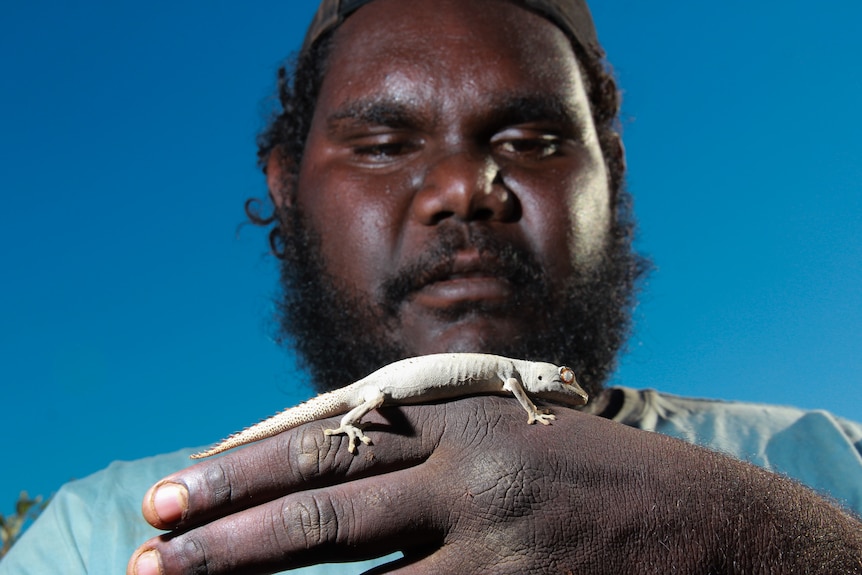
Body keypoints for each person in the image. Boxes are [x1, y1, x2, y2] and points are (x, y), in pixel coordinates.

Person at [3, 0, 861, 573]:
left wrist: (782, 546)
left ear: (615, 172)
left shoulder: (838, 463)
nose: (464, 184)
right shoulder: (93, 536)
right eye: (382, 145)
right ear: (283, 188)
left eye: (532, 138)